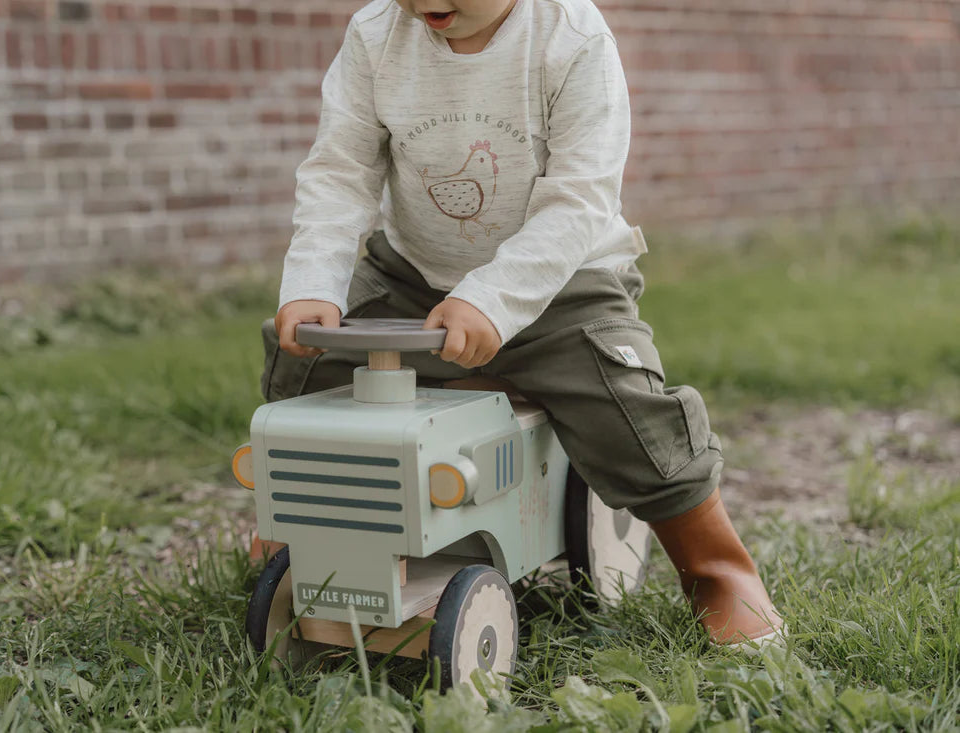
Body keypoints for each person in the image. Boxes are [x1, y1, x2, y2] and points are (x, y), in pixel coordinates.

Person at [258, 0, 782, 647]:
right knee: (304, 360)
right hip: (413, 278)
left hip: (562, 281)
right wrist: (314, 282)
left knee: (628, 406)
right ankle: (304, 522)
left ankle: (715, 567)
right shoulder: (376, 37)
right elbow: (342, 170)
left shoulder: (571, 39)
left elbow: (579, 198)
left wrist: (493, 298)